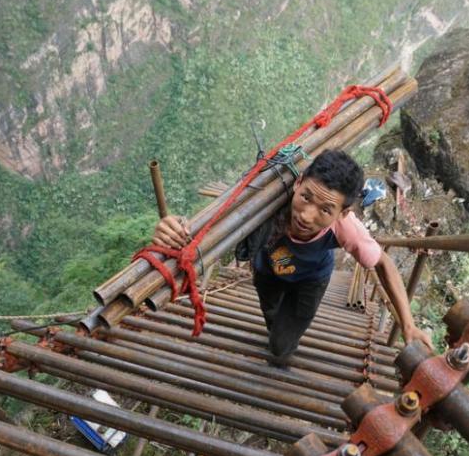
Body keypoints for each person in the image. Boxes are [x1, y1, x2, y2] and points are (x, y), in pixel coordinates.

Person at [152, 150, 432, 366]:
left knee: (280, 346)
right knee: (271, 314)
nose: (306, 216)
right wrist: (178, 227)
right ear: (298, 183)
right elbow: (219, 218)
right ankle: (276, 329)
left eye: (325, 210)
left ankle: (280, 351)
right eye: (306, 197)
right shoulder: (269, 199)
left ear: (343, 213)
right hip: (267, 270)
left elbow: (383, 263)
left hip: (311, 281)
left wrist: (408, 324)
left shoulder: (348, 229)